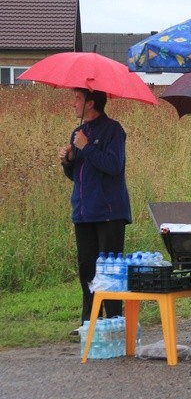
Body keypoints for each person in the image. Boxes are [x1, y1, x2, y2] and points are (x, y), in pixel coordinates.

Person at [58, 88, 131, 335]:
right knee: (86, 268)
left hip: (109, 212)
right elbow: (77, 175)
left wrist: (87, 147)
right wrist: (68, 160)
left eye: (77, 99)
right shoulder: (77, 133)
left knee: (109, 270)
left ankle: (113, 321)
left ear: (91, 103)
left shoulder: (113, 130)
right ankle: (89, 323)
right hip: (84, 211)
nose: (73, 104)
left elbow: (113, 165)